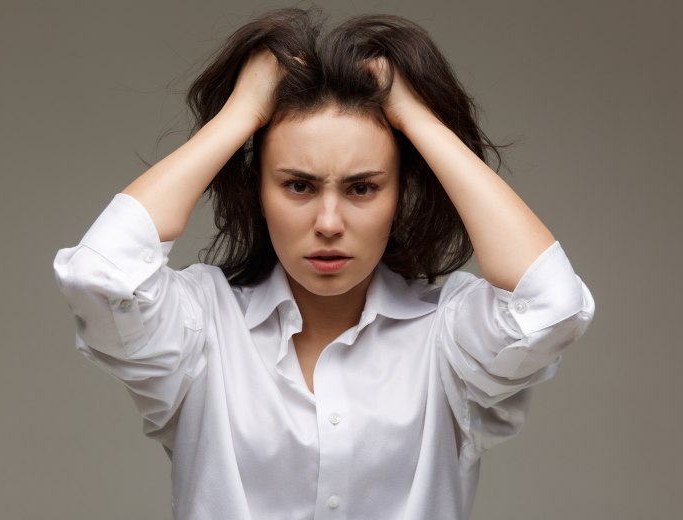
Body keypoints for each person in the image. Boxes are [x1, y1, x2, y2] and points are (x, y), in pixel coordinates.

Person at [53, 7, 594, 520]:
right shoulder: (202, 325)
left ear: (399, 193)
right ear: (258, 192)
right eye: (298, 185)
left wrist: (416, 119)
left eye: (362, 187)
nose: (329, 222)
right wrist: (241, 115)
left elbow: (553, 305)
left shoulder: (448, 335)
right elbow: (100, 276)